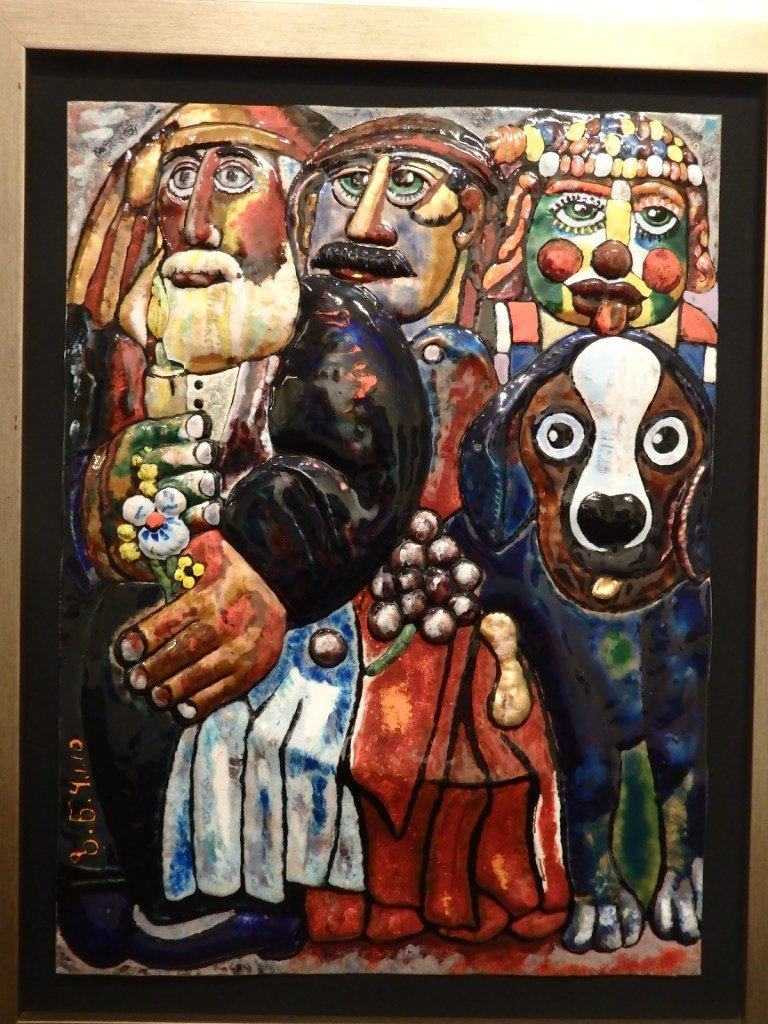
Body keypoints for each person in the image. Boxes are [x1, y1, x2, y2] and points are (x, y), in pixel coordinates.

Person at [61, 103, 431, 968]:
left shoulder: (331, 325)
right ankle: (94, 865)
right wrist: (93, 498)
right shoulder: (120, 337)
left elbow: (360, 465)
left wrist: (267, 560)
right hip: (147, 586)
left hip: (301, 606)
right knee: (93, 651)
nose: (195, 221)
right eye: (178, 183)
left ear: (294, 207)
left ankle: (220, 891)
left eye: (233, 181)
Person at [287, 115, 570, 944]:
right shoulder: (291, 371)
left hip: (446, 628)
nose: (367, 223)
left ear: (475, 226)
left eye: (408, 186)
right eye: (348, 187)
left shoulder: (467, 374)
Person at [481, 112, 717, 398]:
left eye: (657, 216)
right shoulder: (499, 337)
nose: (614, 258)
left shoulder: (701, 348)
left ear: (693, 238)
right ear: (524, 216)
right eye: (579, 210)